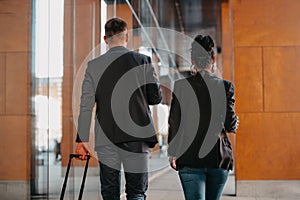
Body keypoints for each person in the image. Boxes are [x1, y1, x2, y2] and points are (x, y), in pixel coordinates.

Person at [75, 18, 162, 200]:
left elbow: (86, 105)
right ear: (127, 36)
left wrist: (81, 140)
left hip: (107, 137)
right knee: (137, 192)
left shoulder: (94, 66)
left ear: (105, 38)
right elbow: (156, 98)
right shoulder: (142, 61)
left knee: (109, 192)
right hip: (137, 137)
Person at [168, 35, 238, 200]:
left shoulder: (181, 87)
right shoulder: (226, 87)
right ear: (213, 58)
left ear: (192, 58)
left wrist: (173, 152)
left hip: (189, 156)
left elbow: (174, 122)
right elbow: (230, 124)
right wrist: (235, 123)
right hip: (218, 157)